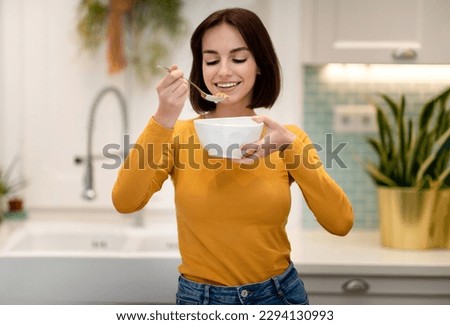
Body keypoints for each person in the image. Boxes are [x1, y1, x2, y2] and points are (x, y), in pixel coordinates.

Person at [112, 8, 353, 305]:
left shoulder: (284, 138)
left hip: (278, 298)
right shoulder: (178, 136)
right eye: (211, 60)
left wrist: (292, 149)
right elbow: (125, 201)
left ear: (260, 65)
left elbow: (340, 223)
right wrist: (163, 117)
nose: (223, 71)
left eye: (238, 58)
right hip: (201, 301)